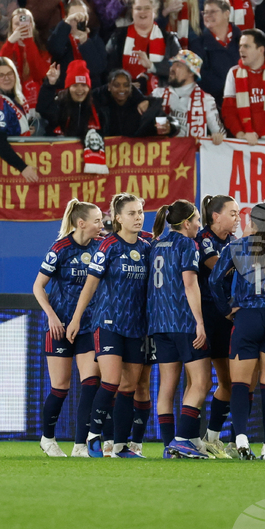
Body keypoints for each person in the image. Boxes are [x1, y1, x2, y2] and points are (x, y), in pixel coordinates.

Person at [65, 193, 153, 458]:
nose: (138, 218)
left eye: (140, 213)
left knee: (129, 387)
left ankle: (120, 446)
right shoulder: (108, 247)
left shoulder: (147, 248)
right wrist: (77, 317)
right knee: (111, 381)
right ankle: (93, 436)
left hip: (137, 327)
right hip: (108, 323)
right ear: (117, 218)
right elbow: (90, 284)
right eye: (132, 213)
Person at [210, 202, 265, 460]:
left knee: (239, 384)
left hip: (246, 316)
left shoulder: (237, 247)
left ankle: (240, 438)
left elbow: (215, 280)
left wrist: (226, 308)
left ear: (253, 222)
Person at [32, 199, 104, 458]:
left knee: (91, 383)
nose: (101, 224)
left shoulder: (100, 247)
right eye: (97, 220)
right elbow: (38, 287)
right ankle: (47, 438)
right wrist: (51, 316)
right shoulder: (60, 248)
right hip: (60, 328)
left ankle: (80, 445)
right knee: (60, 387)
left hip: (87, 327)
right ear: (81, 223)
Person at [148, 199, 212, 459]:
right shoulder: (187, 243)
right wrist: (199, 321)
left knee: (167, 386)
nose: (199, 224)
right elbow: (189, 284)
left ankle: (168, 446)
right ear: (186, 223)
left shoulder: (155, 245)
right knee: (202, 381)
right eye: (197, 220)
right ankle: (182, 439)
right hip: (183, 321)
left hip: (158, 323)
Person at [196, 194, 240, 458]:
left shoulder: (234, 243)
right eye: (233, 213)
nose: (237, 218)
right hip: (204, 319)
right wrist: (244, 260)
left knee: (229, 381)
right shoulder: (203, 240)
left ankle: (211, 437)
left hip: (227, 317)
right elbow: (217, 267)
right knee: (198, 383)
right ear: (216, 216)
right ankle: (185, 438)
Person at [0, 57, 41, 181]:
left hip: (13, 165)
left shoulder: (14, 98)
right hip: (5, 168)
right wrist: (22, 167)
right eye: (0, 75)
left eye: (9, 73)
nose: (6, 78)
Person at [106, 0, 180, 93]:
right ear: (132, 12)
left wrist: (152, 66)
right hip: (123, 95)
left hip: (159, 95)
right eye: (138, 8)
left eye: (147, 8)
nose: (142, 12)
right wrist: (124, 84)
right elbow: (109, 67)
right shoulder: (119, 35)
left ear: (155, 12)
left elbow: (178, 69)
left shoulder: (169, 38)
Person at [150, 49, 225, 142]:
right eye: (172, 64)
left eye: (178, 65)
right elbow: (148, 126)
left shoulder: (206, 99)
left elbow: (220, 134)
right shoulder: (157, 94)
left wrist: (217, 137)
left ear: (191, 72)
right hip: (165, 152)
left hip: (191, 154)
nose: (172, 68)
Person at [189, 0, 242, 101]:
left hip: (246, 97)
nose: (208, 16)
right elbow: (199, 77)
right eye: (205, 12)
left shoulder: (244, 40)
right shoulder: (196, 45)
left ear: (226, 14)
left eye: (213, 11)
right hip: (215, 103)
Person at [0, 8, 50, 113]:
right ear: (12, 27)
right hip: (10, 101)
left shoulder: (43, 49)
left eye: (25, 22)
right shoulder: (3, 46)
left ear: (32, 25)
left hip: (36, 105)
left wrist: (29, 43)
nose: (21, 27)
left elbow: (39, 74)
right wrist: (10, 42)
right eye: (17, 23)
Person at [38, 60, 104, 143]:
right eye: (75, 85)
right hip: (61, 153)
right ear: (68, 88)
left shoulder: (96, 106)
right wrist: (49, 84)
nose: (80, 89)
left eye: (84, 85)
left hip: (88, 153)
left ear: (89, 88)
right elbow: (42, 108)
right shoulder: (60, 104)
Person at [49, 0, 109, 89]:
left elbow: (98, 68)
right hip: (65, 90)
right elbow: (55, 50)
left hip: (90, 90)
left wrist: (86, 43)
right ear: (66, 18)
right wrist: (65, 25)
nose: (78, 19)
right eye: (74, 16)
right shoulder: (58, 34)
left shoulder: (94, 37)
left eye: (83, 16)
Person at [91, 68, 156, 137]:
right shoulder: (98, 100)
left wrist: (149, 102)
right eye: (117, 85)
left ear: (131, 87)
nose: (122, 89)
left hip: (132, 146)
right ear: (109, 87)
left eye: (126, 85)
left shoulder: (140, 101)